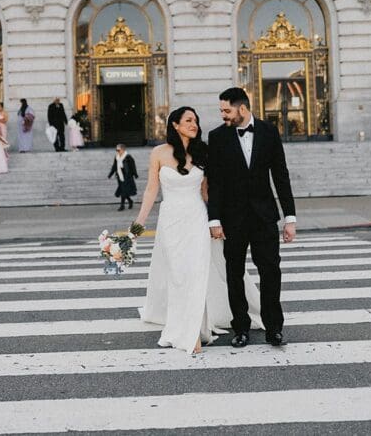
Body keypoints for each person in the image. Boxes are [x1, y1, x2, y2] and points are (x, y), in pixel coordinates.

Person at [134, 107, 262, 355]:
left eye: (196, 120)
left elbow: (207, 193)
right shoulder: (158, 153)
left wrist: (219, 221)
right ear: (175, 125)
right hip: (171, 221)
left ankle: (193, 333)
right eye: (188, 120)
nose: (194, 124)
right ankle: (187, 328)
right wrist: (138, 224)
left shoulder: (202, 152)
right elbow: (151, 190)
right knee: (179, 275)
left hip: (197, 219)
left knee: (196, 274)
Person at [206, 87, 296, 348]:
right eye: (221, 110)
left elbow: (281, 175)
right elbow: (216, 183)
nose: (223, 115)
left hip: (264, 217)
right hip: (232, 218)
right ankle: (241, 328)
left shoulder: (268, 131)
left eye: (226, 110)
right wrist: (214, 220)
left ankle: (274, 328)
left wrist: (289, 217)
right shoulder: (217, 137)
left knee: (271, 272)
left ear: (242, 108)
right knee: (234, 274)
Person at [108, 143, 137, 211]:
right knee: (123, 191)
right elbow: (114, 166)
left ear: (123, 150)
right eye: (116, 150)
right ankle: (130, 201)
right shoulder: (116, 157)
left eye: (118, 150)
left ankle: (122, 205)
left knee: (123, 191)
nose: (117, 151)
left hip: (127, 176)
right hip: (119, 176)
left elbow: (133, 166)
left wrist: (135, 174)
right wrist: (110, 174)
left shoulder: (128, 157)